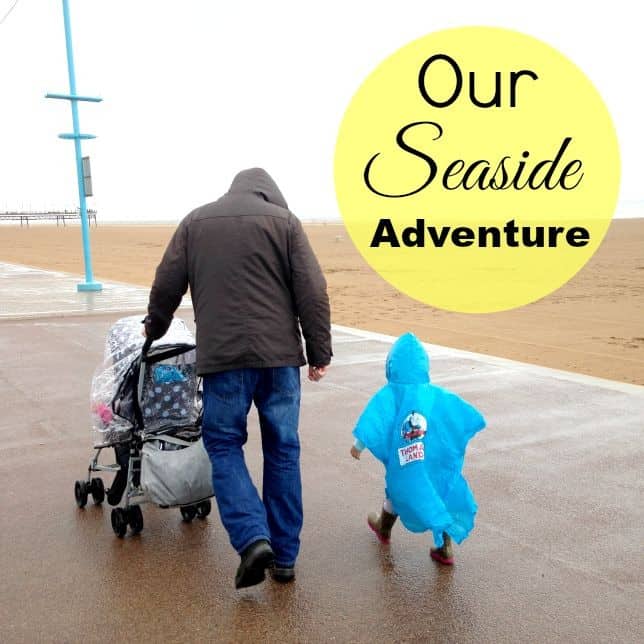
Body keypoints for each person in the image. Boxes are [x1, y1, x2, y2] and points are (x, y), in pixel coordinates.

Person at [144, 168, 332, 588]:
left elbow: (166, 284)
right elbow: (313, 291)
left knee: (225, 444)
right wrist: (320, 352)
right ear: (271, 195)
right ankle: (284, 557)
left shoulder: (196, 221)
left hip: (224, 361)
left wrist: (153, 329)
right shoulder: (285, 223)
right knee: (283, 449)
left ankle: (252, 538)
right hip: (280, 361)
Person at [350, 332, 485, 565]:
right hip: (431, 461)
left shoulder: (390, 394)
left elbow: (375, 420)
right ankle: (444, 548)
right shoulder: (433, 394)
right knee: (440, 495)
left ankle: (384, 527)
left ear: (391, 365)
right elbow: (453, 415)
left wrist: (358, 445)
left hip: (404, 463)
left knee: (398, 490)